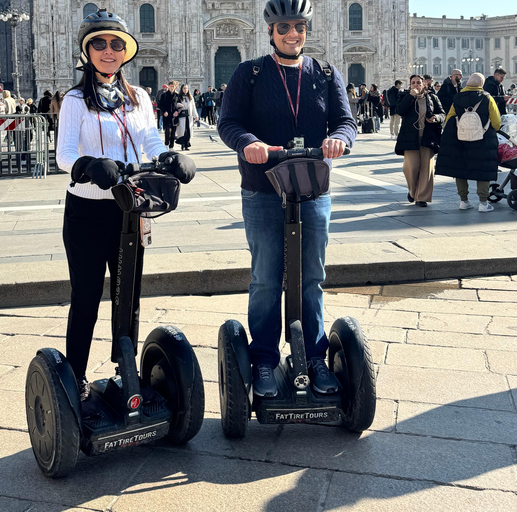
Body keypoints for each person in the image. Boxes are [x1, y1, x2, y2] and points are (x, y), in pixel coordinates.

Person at [217, 0, 356, 397]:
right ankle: (263, 358)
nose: (292, 33)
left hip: (312, 188)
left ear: (306, 30)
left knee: (312, 277)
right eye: (284, 27)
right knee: (265, 278)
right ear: (270, 31)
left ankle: (313, 357)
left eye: (299, 26)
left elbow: (346, 121)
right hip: (263, 189)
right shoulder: (250, 73)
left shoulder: (326, 73)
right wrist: (249, 143)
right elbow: (229, 122)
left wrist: (339, 140)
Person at [56, 9, 195, 399]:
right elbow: (63, 155)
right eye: (99, 44)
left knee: (127, 294)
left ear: (125, 53)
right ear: (87, 52)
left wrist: (170, 156)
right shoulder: (74, 100)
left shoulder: (140, 97)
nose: (108, 51)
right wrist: (87, 164)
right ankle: (76, 377)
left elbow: (150, 140)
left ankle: (125, 372)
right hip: (86, 211)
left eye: (116, 44)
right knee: (85, 297)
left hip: (129, 210)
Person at [436, 73, 502, 213]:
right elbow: (496, 121)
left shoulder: (458, 97)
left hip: (461, 139)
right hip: (483, 140)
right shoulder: (487, 98)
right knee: (483, 169)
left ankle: (464, 201)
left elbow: (449, 118)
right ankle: (483, 203)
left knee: (461, 169)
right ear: (481, 84)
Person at [394, 74, 445, 207]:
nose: (416, 85)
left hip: (428, 137)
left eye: (418, 83)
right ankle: (412, 191)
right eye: (413, 83)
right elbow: (400, 111)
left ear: (424, 85)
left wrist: (436, 118)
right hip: (410, 138)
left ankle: (421, 197)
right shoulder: (405, 96)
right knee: (411, 168)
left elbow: (442, 114)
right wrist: (411, 96)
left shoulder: (432, 98)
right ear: (410, 85)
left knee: (427, 169)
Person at [175, 84, 199, 150]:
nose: (185, 90)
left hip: (189, 116)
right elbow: (175, 104)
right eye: (184, 88)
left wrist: (196, 115)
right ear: (182, 89)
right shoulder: (179, 97)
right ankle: (182, 144)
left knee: (188, 130)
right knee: (183, 130)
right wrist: (178, 104)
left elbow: (193, 107)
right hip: (182, 116)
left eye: (186, 88)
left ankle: (187, 144)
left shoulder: (190, 97)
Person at [159, 80, 180, 148]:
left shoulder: (177, 96)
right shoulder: (164, 95)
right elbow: (160, 105)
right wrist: (164, 111)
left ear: (175, 87)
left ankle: (171, 146)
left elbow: (180, 105)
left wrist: (177, 111)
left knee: (173, 131)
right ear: (168, 86)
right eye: (170, 86)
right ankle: (167, 143)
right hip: (167, 115)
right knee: (168, 130)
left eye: (173, 86)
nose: (171, 88)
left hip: (174, 116)